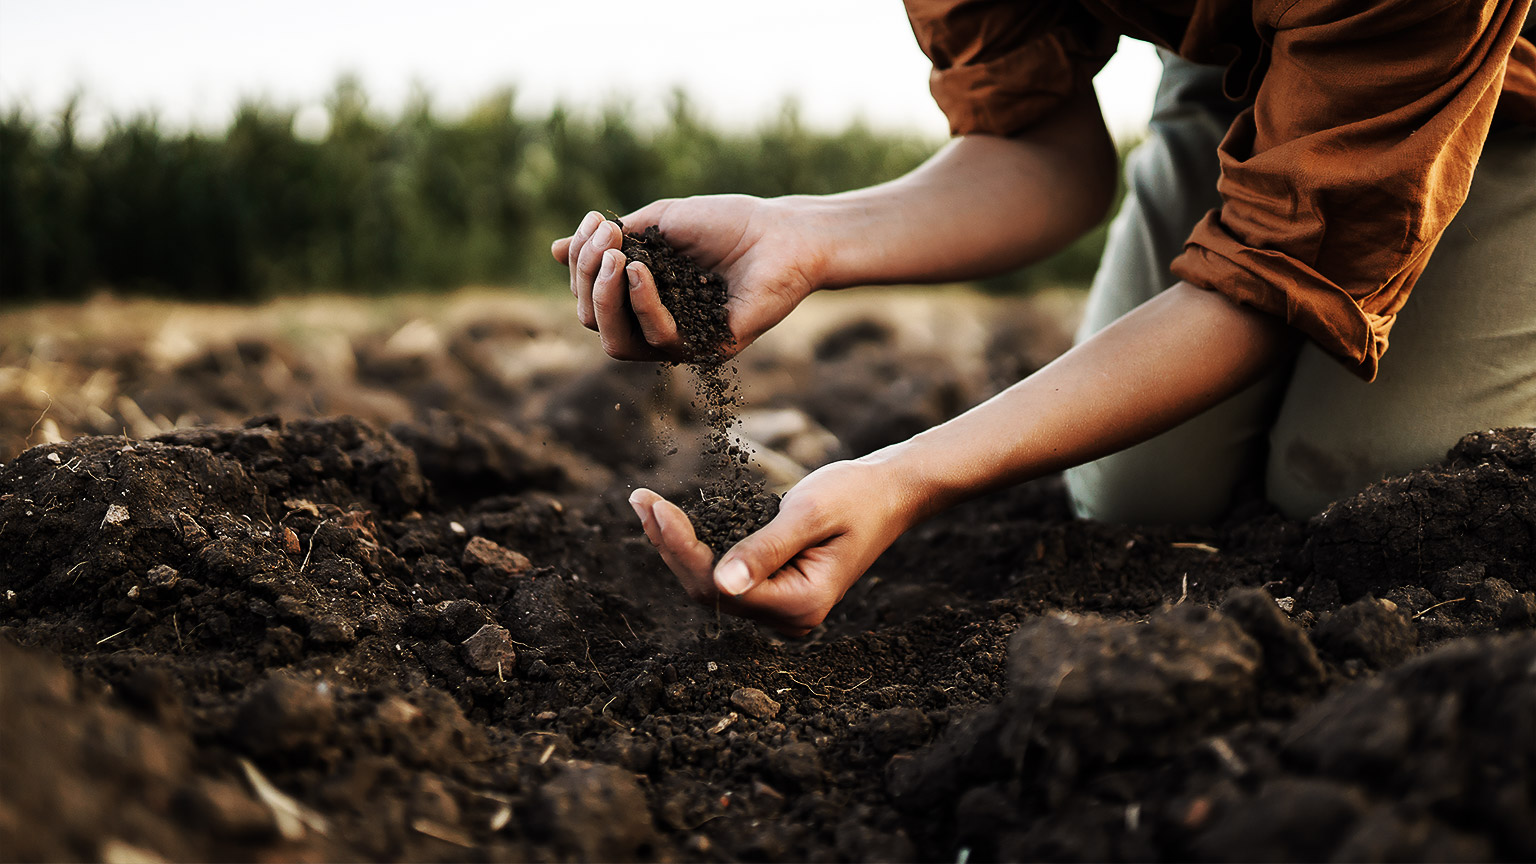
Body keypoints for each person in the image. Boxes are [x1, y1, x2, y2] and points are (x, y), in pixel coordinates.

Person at [553, 0, 1536, 635]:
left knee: (1373, 486)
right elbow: (1039, 151)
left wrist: (907, 477)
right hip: (1247, 63)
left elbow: (1277, 276)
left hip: (1489, 87)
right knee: (1137, 494)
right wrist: (808, 234)